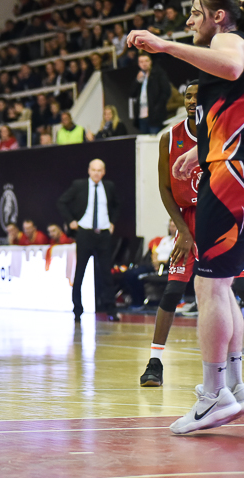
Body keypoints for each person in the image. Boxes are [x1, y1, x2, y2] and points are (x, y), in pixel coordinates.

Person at [129, 2, 244, 434]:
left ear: (219, 16)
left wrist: (164, 46)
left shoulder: (228, 42)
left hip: (227, 177)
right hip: (230, 167)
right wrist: (201, 150)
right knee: (223, 286)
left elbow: (232, 66)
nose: (190, 20)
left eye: (196, 12)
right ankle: (235, 384)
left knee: (208, 286)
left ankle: (215, 394)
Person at [139, 82, 204, 388]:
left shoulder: (221, 134)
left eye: (198, 96)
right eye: (188, 96)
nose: (192, 101)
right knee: (172, 290)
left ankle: (232, 360)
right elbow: (165, 188)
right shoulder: (170, 137)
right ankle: (154, 362)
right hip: (187, 220)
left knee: (234, 288)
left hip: (219, 219)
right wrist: (183, 231)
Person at [57, 159, 120, 322]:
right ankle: (77, 310)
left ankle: (111, 309)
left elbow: (117, 205)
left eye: (99, 170)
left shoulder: (109, 186)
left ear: (103, 172)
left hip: (103, 233)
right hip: (85, 232)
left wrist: (112, 222)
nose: (96, 173)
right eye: (94, 170)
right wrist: (71, 220)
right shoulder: (79, 185)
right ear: (89, 171)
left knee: (106, 273)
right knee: (80, 272)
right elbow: (62, 201)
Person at [130, 53, 172, 134]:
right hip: (142, 116)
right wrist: (137, 81)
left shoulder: (158, 74)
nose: (144, 64)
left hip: (155, 116)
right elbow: (132, 94)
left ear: (150, 62)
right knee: (144, 140)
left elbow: (166, 91)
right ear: (138, 64)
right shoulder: (140, 76)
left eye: (146, 61)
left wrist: (157, 108)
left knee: (155, 139)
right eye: (141, 62)